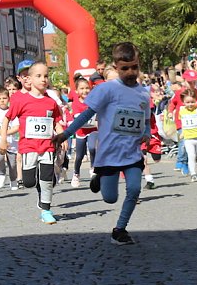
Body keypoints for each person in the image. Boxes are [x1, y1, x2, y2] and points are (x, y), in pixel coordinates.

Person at [53, 42, 152, 245]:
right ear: (116, 67)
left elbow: (146, 118)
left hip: (132, 152)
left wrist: (147, 133)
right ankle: (98, 176)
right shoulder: (107, 89)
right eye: (125, 68)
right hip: (109, 154)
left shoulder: (143, 92)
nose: (131, 72)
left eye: (134, 67)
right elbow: (86, 115)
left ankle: (120, 229)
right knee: (110, 198)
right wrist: (67, 133)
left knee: (134, 188)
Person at [0, 63, 63, 224]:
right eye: (39, 76)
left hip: (47, 146)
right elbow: (7, 118)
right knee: (29, 182)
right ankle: (39, 190)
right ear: (29, 79)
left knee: (47, 180)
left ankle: (46, 209)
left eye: (46, 76)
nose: (43, 79)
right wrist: (3, 139)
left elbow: (56, 121)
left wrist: (62, 136)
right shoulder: (21, 100)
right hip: (28, 147)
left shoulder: (50, 102)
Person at [70, 77, 98, 188]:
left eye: (87, 88)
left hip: (93, 129)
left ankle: (93, 168)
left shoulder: (94, 101)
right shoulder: (75, 103)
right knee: (79, 156)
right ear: (76, 91)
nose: (85, 90)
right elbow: (77, 118)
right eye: (81, 88)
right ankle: (76, 173)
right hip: (81, 131)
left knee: (92, 148)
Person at [178, 88, 197, 182]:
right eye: (187, 102)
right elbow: (181, 122)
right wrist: (182, 133)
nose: (190, 104)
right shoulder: (182, 111)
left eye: (192, 102)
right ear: (183, 102)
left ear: (196, 101)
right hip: (188, 138)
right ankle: (193, 174)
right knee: (191, 155)